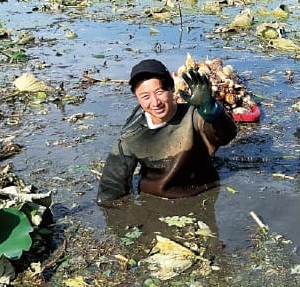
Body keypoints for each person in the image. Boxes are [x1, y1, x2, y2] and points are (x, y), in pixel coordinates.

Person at [97, 59, 237, 205]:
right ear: (137, 98)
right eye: (145, 96)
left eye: (159, 92)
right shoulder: (131, 135)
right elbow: (111, 187)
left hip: (204, 191)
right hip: (154, 199)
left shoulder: (194, 115)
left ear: (171, 88)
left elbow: (227, 135)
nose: (155, 102)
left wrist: (213, 113)